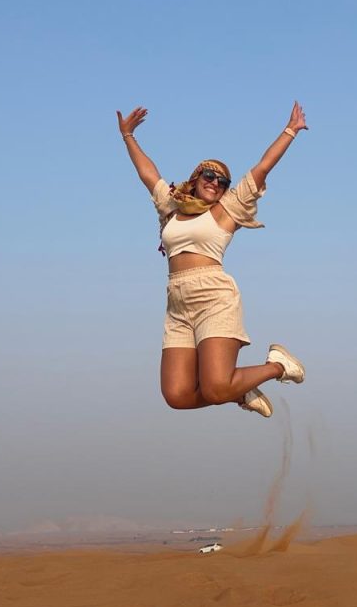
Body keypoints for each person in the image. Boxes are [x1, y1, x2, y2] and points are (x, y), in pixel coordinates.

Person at [116, 102, 308, 418]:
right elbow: (148, 174)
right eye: (210, 174)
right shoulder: (171, 207)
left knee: (216, 387)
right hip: (177, 304)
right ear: (196, 176)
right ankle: (240, 389)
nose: (215, 182)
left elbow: (262, 168)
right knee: (177, 395)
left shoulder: (226, 211)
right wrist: (128, 136)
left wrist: (290, 131)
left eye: (223, 181)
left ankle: (277, 366)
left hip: (213, 297)